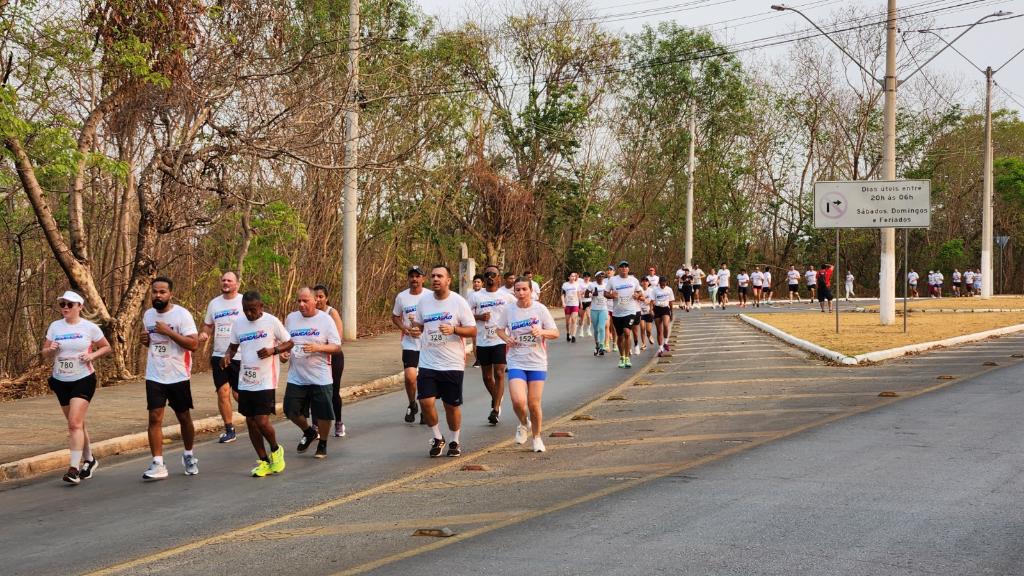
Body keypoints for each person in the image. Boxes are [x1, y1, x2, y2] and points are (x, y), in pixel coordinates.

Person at [407, 265, 476, 457]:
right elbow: (420, 326)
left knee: (451, 406)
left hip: (452, 363)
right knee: (425, 402)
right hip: (428, 361)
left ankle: (454, 440)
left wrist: (454, 330)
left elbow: (472, 330)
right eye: (433, 275)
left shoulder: (458, 302)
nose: (435, 279)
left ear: (448, 280)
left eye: (440, 276)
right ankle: (438, 437)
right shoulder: (424, 301)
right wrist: (415, 330)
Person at [43, 291, 112, 484]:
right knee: (78, 424)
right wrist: (51, 350)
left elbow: (106, 347)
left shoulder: (89, 327)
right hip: (60, 379)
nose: (65, 307)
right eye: (62, 304)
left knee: (74, 423)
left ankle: (74, 468)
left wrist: (92, 356)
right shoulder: (55, 326)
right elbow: (45, 352)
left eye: (69, 304)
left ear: (80, 307)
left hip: (83, 378)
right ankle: (90, 459)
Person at [221, 291, 292, 477]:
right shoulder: (239, 323)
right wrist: (227, 355)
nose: (249, 314)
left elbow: (289, 342)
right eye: (246, 310)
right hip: (246, 380)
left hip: (266, 379)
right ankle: (263, 461)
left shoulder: (271, 321)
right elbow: (233, 346)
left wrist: (273, 350)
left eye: (253, 310)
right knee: (251, 422)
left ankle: (276, 450)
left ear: (261, 306)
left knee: (261, 420)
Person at [139, 277, 200, 481]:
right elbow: (154, 342)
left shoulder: (182, 315)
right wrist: (146, 340)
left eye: (162, 292)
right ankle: (158, 462)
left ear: (170, 293)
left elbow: (193, 345)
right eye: (155, 291)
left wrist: (169, 332)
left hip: (178, 374)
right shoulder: (148, 315)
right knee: (154, 418)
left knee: (184, 417)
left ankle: (189, 455)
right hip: (155, 374)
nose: (158, 295)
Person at [498, 276, 559, 453]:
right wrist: (506, 338)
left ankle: (537, 437)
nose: (521, 292)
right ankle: (524, 423)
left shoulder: (540, 309)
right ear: (514, 291)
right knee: (518, 401)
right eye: (518, 289)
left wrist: (542, 331)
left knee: (533, 403)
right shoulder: (509, 310)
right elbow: (499, 329)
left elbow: (555, 332)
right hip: (516, 359)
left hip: (537, 362)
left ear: (531, 291)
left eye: (525, 289)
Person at [282, 287, 341, 460]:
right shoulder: (291, 319)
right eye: (299, 301)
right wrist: (284, 354)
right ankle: (308, 432)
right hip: (296, 376)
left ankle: (322, 442)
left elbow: (336, 346)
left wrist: (318, 347)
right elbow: (286, 343)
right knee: (290, 410)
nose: (301, 304)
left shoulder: (325, 320)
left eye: (305, 301)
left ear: (316, 300)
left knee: (323, 413)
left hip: (319, 376)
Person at [199, 271, 244, 444]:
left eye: (229, 280)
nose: (226, 283)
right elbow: (208, 325)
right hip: (219, 354)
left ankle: (255, 418)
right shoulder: (214, 304)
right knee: (222, 392)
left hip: (240, 355)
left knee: (238, 394)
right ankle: (229, 429)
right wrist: (204, 333)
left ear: (237, 284)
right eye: (223, 280)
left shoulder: (243, 301)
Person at [468, 264, 514, 425]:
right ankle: (496, 399)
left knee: (500, 373)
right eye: (487, 274)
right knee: (487, 376)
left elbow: (517, 310)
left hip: (500, 339)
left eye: (493, 274)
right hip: (482, 340)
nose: (490, 277)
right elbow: (467, 315)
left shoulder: (506, 297)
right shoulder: (475, 296)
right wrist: (480, 317)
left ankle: (495, 408)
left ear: (498, 277)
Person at [392, 267, 426, 424]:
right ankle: (413, 404)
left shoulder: (430, 296)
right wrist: (405, 329)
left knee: (425, 378)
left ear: (423, 279)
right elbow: (395, 316)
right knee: (410, 377)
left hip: (427, 344)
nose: (414, 279)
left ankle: (426, 407)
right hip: (410, 343)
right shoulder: (402, 297)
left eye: (417, 276)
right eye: (411, 276)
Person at [312, 285, 346, 437]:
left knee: (332, 391)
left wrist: (322, 345)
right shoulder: (309, 314)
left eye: (321, 297)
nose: (318, 299)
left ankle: (338, 422)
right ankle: (315, 425)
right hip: (315, 358)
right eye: (316, 297)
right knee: (315, 391)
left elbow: (338, 339)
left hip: (333, 357)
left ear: (326, 298)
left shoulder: (332, 313)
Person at [606, 261, 643, 369]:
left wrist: (637, 295)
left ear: (628, 269)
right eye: (622, 267)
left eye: (626, 266)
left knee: (627, 332)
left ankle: (627, 358)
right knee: (620, 336)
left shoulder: (633, 280)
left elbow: (640, 292)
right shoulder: (613, 280)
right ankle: (621, 357)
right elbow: (605, 293)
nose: (624, 268)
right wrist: (611, 295)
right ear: (619, 269)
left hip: (630, 311)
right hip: (617, 313)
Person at [651, 277, 675, 356]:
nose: (663, 284)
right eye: (661, 283)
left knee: (665, 325)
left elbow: (671, 302)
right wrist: (651, 310)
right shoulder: (655, 290)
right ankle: (660, 348)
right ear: (659, 283)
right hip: (657, 309)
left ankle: (665, 342)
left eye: (664, 283)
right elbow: (652, 301)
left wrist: (671, 312)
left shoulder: (669, 289)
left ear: (666, 282)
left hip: (665, 309)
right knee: (659, 330)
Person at [588, 271, 609, 355]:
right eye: (599, 276)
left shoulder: (606, 285)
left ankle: (601, 346)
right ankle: (597, 345)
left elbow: (609, 294)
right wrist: (592, 294)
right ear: (596, 277)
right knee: (596, 329)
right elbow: (586, 295)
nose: (601, 278)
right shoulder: (592, 285)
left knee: (601, 327)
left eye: (603, 276)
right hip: (594, 309)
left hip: (603, 309)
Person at [560, 272, 581, 343]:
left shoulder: (577, 284)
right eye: (572, 276)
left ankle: (573, 336)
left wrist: (581, 303)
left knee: (574, 320)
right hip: (567, 305)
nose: (573, 278)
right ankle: (568, 333)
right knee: (567, 322)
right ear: (569, 277)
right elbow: (562, 295)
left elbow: (579, 294)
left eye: (574, 276)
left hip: (575, 304)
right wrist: (563, 302)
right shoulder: (565, 285)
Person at [638, 277, 654, 351]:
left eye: (646, 281)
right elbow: (636, 298)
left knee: (648, 330)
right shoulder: (639, 290)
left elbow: (650, 302)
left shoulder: (651, 291)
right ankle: (644, 344)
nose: (644, 283)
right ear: (641, 283)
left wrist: (651, 310)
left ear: (648, 283)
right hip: (640, 311)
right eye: (643, 281)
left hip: (648, 311)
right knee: (642, 328)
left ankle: (649, 336)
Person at [579, 272, 593, 337]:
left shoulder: (591, 284)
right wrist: (580, 303)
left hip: (589, 302)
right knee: (582, 317)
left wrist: (592, 302)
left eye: (588, 277)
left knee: (589, 316)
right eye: (585, 277)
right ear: (583, 277)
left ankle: (588, 330)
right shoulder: (581, 284)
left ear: (589, 278)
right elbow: (579, 294)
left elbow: (594, 294)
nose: (586, 278)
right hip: (582, 302)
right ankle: (581, 331)